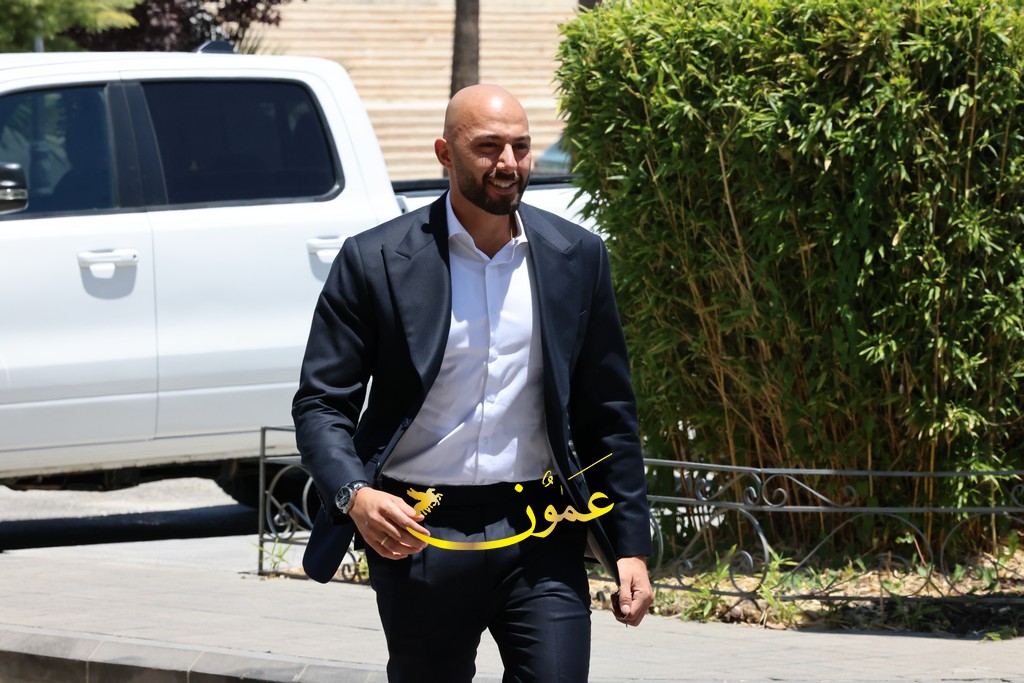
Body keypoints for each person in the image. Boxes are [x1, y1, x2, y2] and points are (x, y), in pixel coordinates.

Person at [292, 83, 653, 683]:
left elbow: (607, 412)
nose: (508, 163)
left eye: (520, 147)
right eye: (487, 147)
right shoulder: (375, 260)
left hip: (542, 528)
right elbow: (321, 404)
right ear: (445, 153)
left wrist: (630, 545)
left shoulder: (576, 257)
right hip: (419, 531)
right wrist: (356, 495)